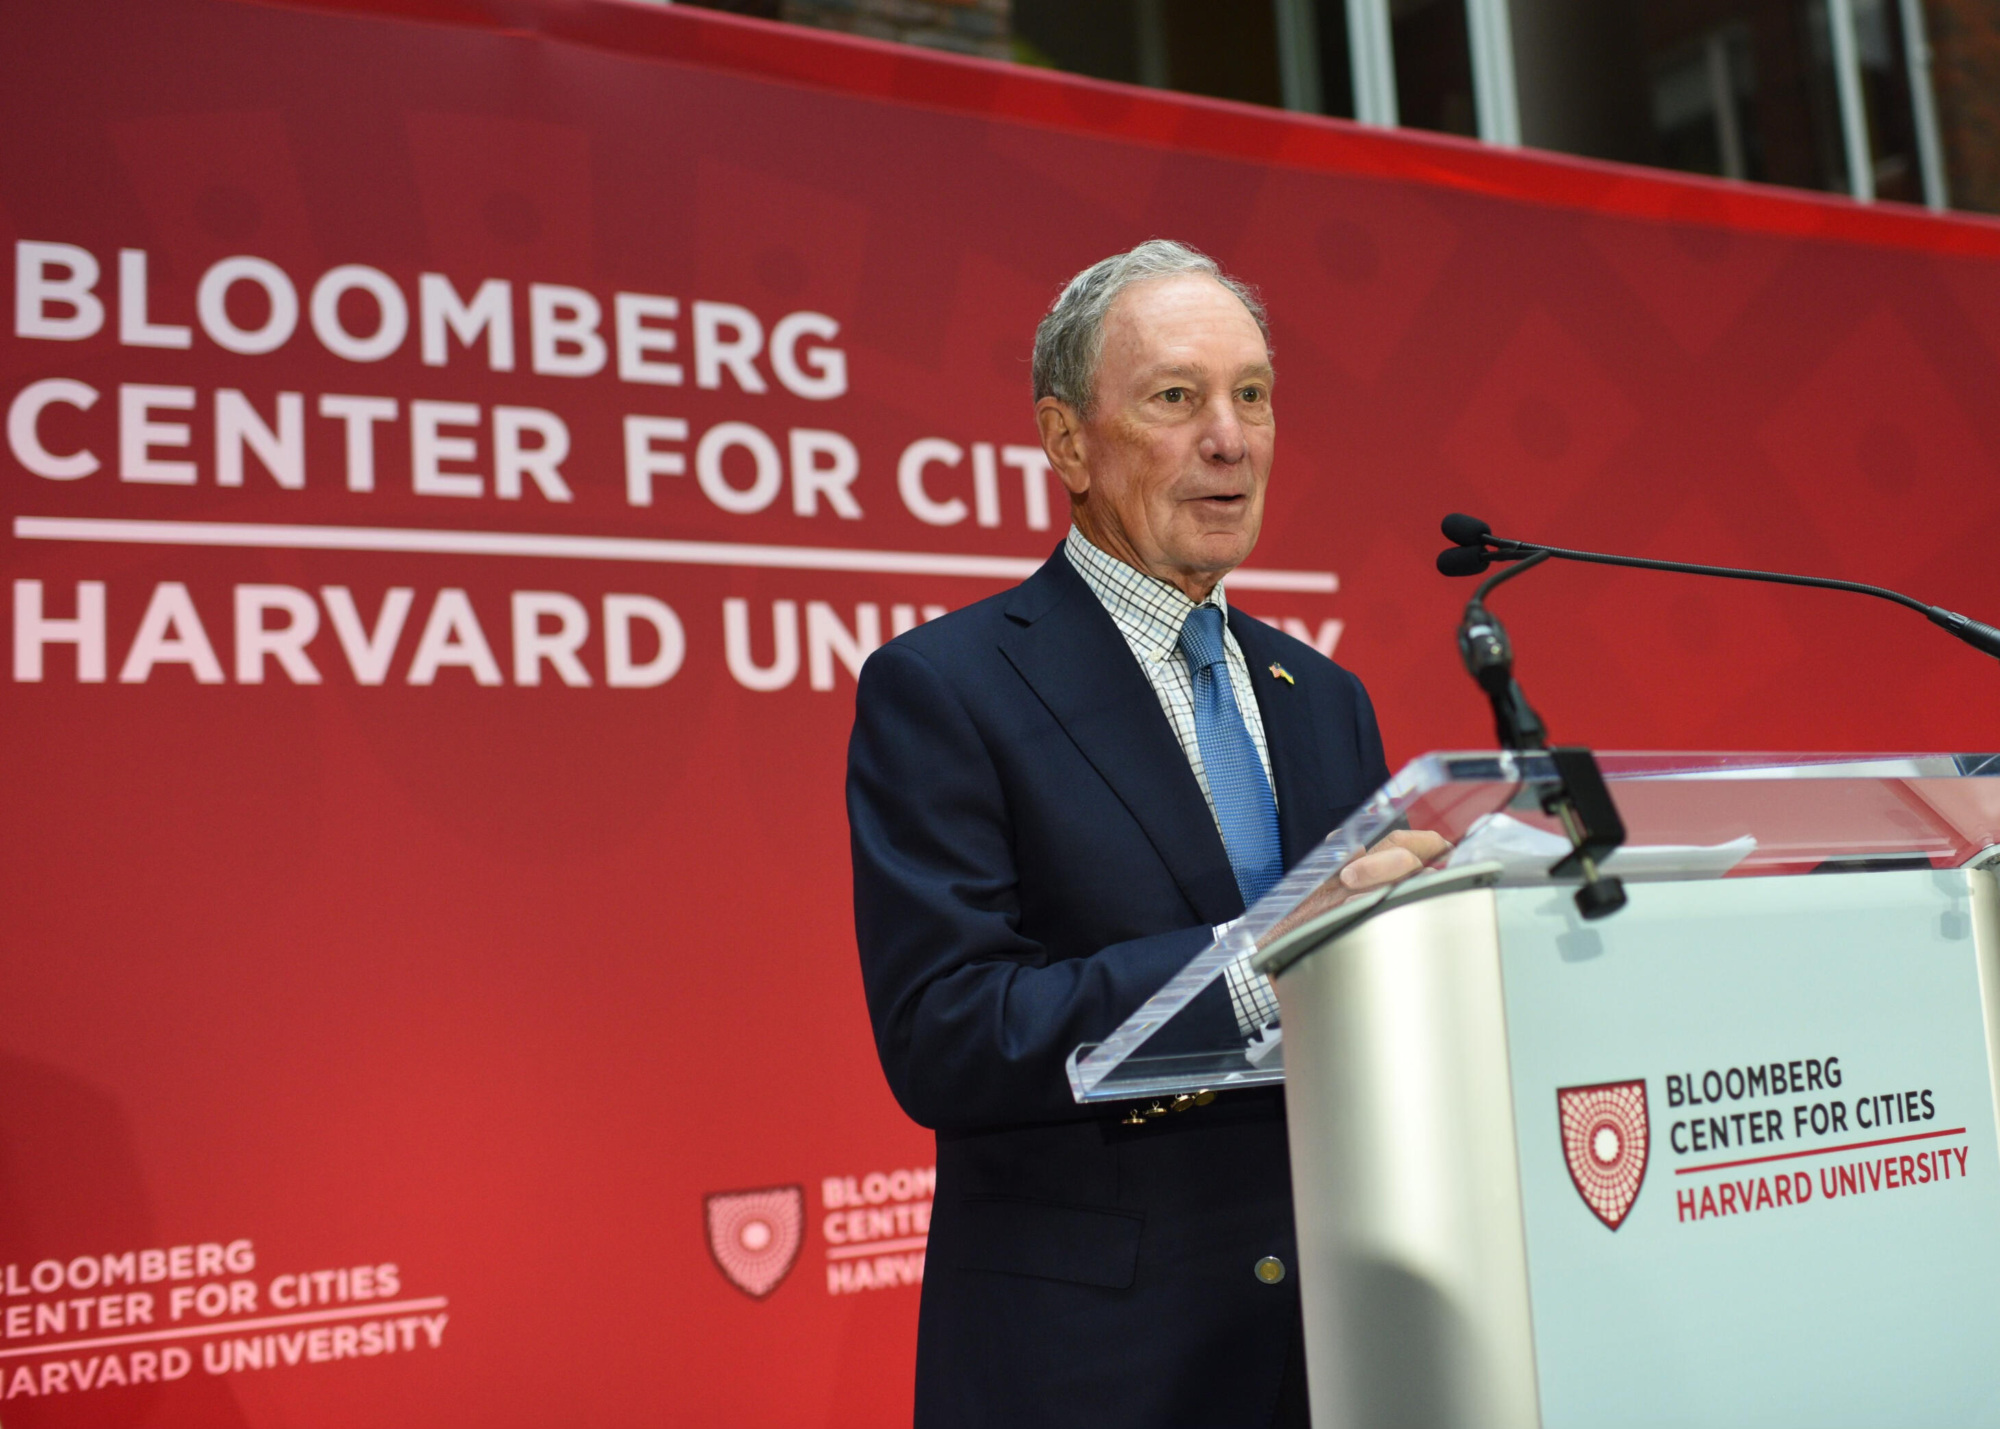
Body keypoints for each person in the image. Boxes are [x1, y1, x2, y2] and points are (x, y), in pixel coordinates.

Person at [847, 240, 1412, 1428]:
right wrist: (1259, 961)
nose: (1231, 437)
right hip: (1097, 1364)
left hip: (1340, 1347)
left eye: (1251, 394)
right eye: (1176, 397)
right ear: (1066, 442)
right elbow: (947, 1035)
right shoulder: (947, 687)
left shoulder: (1326, 696)